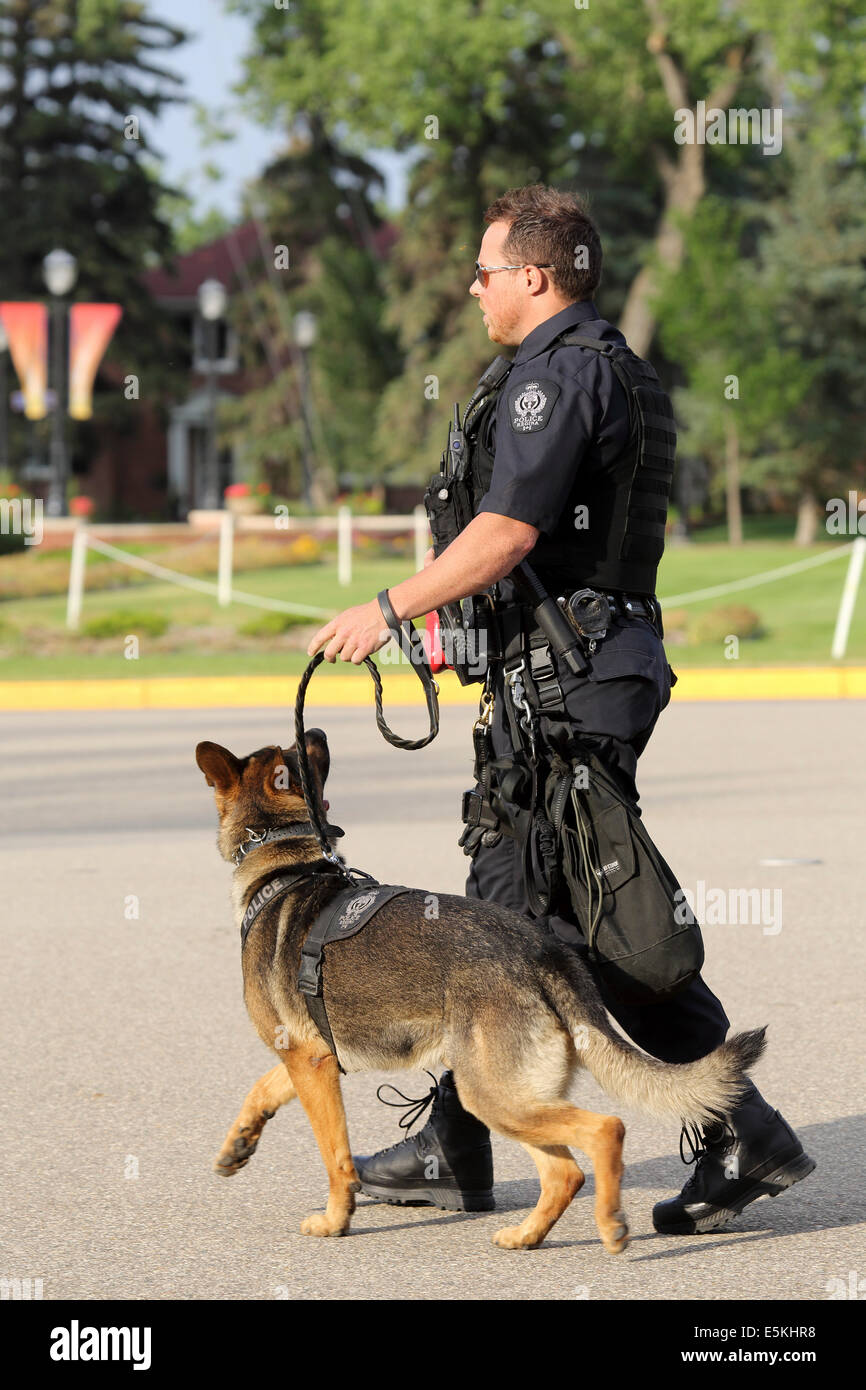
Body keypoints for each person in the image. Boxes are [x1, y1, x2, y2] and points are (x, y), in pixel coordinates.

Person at [306, 184, 815, 1235]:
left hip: (570, 686)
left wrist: (386, 608)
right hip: (567, 670)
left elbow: (507, 534)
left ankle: (733, 1127)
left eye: (486, 270)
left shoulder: (555, 376)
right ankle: (467, 1139)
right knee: (531, 914)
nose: (474, 287)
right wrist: (468, 639)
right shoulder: (602, 365)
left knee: (568, 920)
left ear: (534, 276)